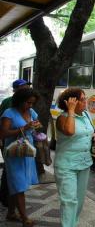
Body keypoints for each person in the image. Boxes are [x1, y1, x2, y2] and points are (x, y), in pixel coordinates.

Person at [54, 88, 95, 227]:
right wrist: (71, 111)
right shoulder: (62, 118)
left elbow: (88, 132)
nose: (86, 101)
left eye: (85, 98)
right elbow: (69, 131)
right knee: (69, 201)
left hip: (84, 163)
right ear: (71, 102)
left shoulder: (86, 115)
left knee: (79, 201)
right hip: (66, 166)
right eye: (82, 99)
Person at [0, 88, 40, 227]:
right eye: (28, 103)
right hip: (13, 153)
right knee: (19, 185)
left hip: (27, 152)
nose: (30, 106)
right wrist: (24, 128)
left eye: (32, 103)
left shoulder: (31, 112)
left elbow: (36, 125)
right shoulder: (9, 113)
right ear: (20, 100)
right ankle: (25, 218)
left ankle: (11, 213)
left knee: (16, 184)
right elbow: (3, 133)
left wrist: (36, 126)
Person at [0, 79, 31, 208]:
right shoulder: (7, 103)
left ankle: (11, 207)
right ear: (15, 89)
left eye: (27, 86)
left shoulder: (29, 105)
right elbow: (2, 125)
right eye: (23, 87)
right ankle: (5, 198)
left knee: (16, 175)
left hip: (23, 144)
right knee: (10, 172)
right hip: (10, 143)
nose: (26, 89)